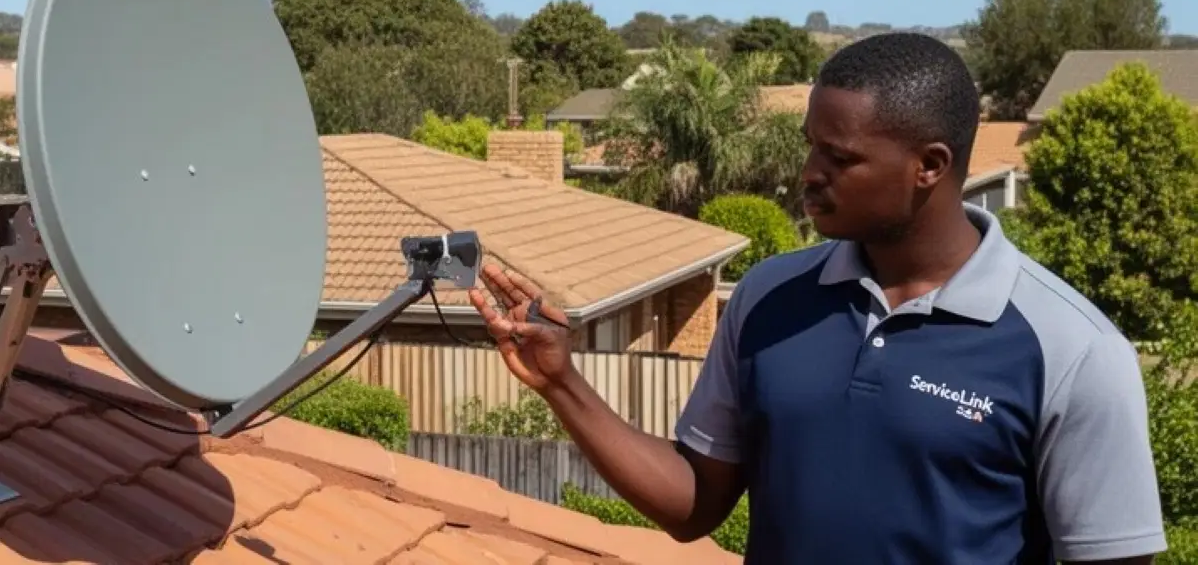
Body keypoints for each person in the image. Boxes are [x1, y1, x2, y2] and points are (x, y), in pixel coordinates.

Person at [467, 32, 1166, 564]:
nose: (809, 175)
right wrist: (561, 381)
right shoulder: (769, 297)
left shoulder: (1072, 349)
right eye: (811, 149)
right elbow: (693, 502)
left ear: (930, 166)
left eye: (841, 158)